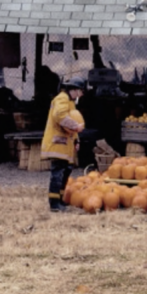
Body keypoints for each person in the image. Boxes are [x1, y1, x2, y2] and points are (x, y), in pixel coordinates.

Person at [42, 76, 86, 211]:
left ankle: (60, 199)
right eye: (80, 91)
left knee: (65, 171)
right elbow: (60, 116)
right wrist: (75, 126)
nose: (81, 94)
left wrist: (76, 139)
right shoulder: (61, 99)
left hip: (65, 144)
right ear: (74, 90)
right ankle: (54, 203)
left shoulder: (70, 102)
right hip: (57, 143)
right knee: (58, 172)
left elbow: (73, 120)